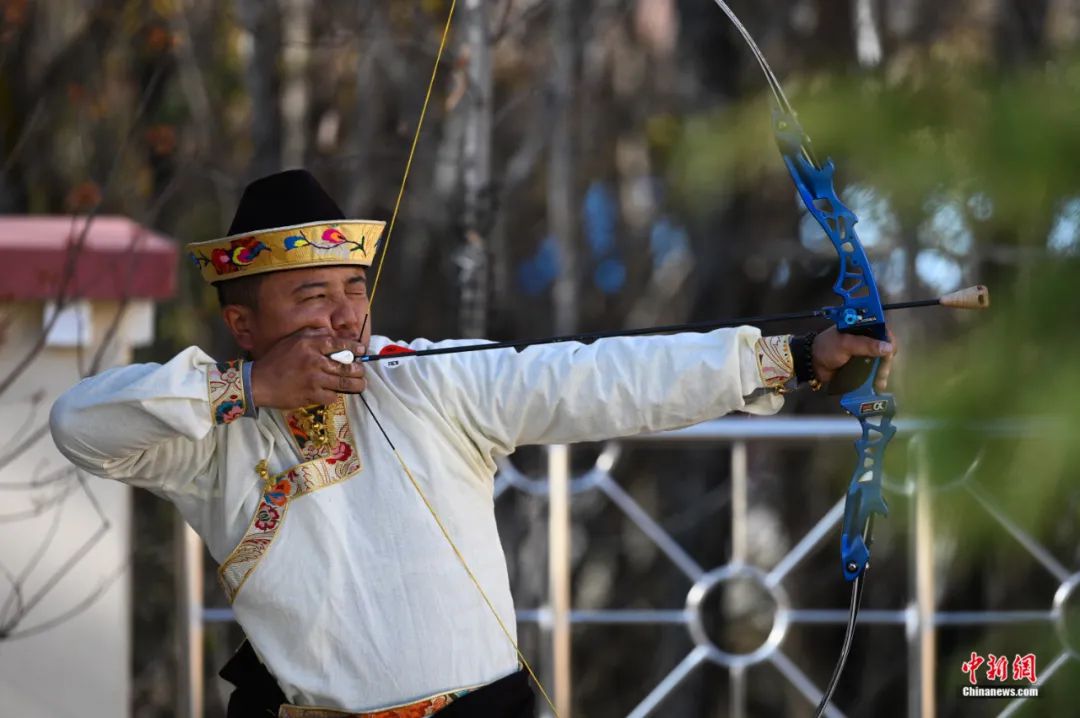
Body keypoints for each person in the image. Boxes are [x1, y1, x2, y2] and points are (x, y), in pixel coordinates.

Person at [49, 169, 896, 718]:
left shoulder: (426, 380)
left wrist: (789, 357)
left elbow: (597, 378)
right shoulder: (208, 436)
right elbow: (77, 424)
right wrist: (248, 391)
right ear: (243, 325)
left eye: (353, 289)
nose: (344, 317)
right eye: (311, 297)